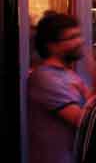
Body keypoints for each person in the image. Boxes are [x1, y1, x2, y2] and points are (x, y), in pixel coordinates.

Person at [28, 12, 89, 163]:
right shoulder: (46, 78)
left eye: (79, 35)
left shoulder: (68, 73)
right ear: (51, 45)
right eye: (71, 38)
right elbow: (83, 120)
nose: (80, 41)